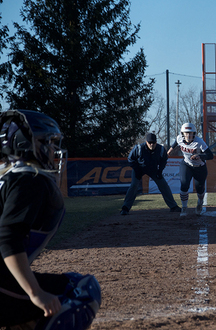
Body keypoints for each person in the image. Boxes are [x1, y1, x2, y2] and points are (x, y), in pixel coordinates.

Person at [0, 110, 101, 329]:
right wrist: (35, 293)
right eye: (48, 142)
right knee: (81, 289)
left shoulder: (8, 178)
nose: (54, 149)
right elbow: (8, 239)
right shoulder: (28, 180)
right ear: (26, 143)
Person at [121, 133, 181, 215]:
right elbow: (130, 159)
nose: (152, 144)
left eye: (153, 142)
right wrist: (137, 170)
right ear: (146, 142)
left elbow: (164, 160)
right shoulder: (139, 148)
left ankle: (173, 206)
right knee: (134, 185)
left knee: (163, 185)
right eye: (150, 143)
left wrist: (160, 171)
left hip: (153, 170)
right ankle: (125, 208)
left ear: (156, 142)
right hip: (139, 168)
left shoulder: (161, 149)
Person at [167, 123, 214, 216]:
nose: (188, 135)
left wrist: (199, 155)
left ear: (194, 133)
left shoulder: (199, 142)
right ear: (182, 134)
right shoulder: (179, 138)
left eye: (191, 133)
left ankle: (200, 204)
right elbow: (176, 142)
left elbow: (210, 155)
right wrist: (170, 150)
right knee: (184, 185)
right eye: (186, 133)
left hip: (200, 167)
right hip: (187, 165)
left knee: (200, 189)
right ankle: (184, 208)